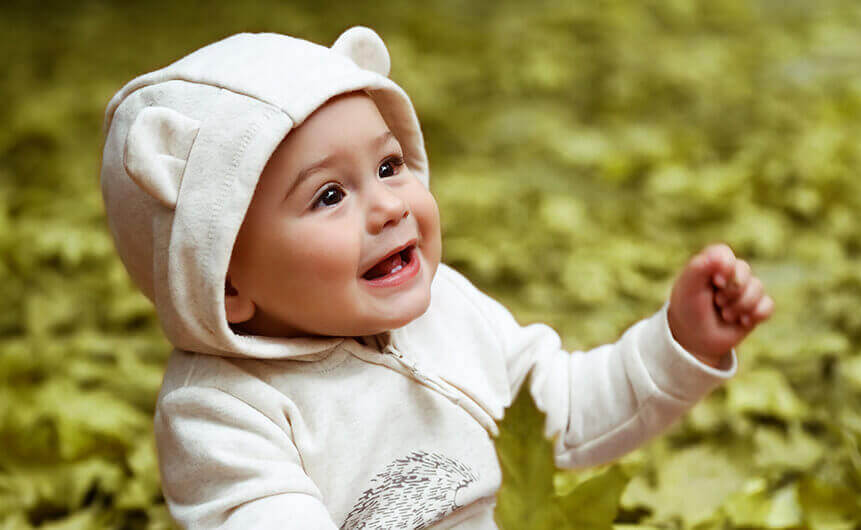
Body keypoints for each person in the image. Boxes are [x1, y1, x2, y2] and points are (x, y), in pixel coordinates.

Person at [100, 26, 773, 529]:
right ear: (223, 282)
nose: (389, 205)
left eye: (389, 166)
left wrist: (680, 341)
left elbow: (560, 416)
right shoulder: (224, 412)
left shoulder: (447, 309)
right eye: (329, 195)